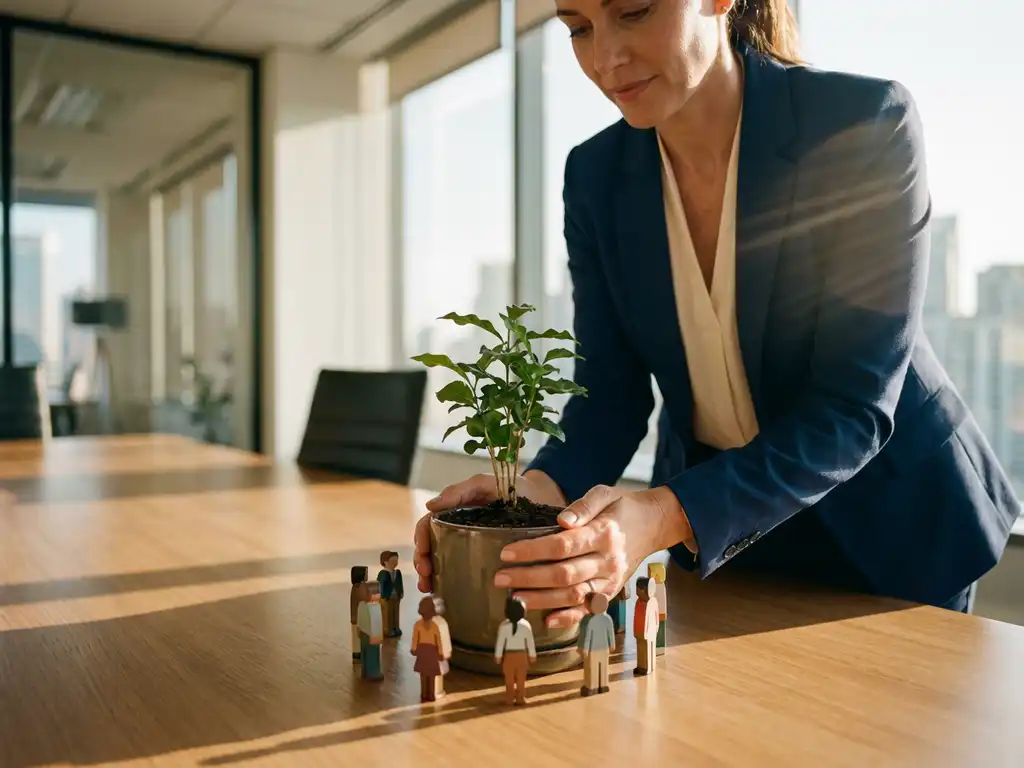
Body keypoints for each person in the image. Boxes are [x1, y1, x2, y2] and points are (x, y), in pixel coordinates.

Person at [413, 0, 1020, 625]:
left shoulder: (862, 124)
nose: (604, 59)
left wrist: (662, 513)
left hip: (893, 531)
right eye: (578, 29)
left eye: (634, 12)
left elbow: (853, 405)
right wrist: (539, 494)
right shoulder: (595, 176)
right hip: (729, 544)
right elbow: (609, 397)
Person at [494, 596, 537, 705]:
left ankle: (510, 698)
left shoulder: (503, 626)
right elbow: (530, 643)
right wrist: (532, 655)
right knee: (521, 678)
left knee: (509, 679)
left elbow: (500, 643)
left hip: (509, 656)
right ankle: (520, 698)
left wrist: (498, 656)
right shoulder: (526, 626)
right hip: (521, 655)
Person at [579, 592, 616, 696]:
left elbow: (587, 637)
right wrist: (612, 644)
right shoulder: (607, 618)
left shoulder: (589, 620)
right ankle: (603, 685)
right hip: (604, 649)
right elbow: (611, 633)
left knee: (591, 669)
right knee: (603, 667)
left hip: (592, 650)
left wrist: (584, 648)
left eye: (585, 602)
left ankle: (591, 687)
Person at [410, 596, 445, 703]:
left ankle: (425, 694)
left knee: (425, 675)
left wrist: (414, 648)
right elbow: (438, 640)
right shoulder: (434, 626)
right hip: (431, 652)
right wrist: (440, 652)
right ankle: (429, 694)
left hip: (423, 652)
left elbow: (415, 638)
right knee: (429, 674)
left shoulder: (418, 625)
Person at [356, 581, 384, 681]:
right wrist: (377, 636)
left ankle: (365, 671)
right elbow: (376, 622)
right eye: (377, 593)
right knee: (372, 654)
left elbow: (359, 620)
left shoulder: (361, 605)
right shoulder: (375, 607)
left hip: (364, 633)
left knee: (365, 652)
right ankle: (373, 672)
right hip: (372, 635)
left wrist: (358, 629)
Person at [633, 577, 659, 676]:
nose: (637, 591)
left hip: (649, 631)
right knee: (640, 649)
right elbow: (636, 617)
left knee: (649, 648)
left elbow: (656, 616)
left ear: (644, 590)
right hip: (639, 630)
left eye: (638, 589)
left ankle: (648, 666)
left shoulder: (652, 602)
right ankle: (641, 666)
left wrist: (655, 627)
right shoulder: (638, 602)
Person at [377, 551, 403, 637]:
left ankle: (396, 628)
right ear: (385, 562)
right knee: (387, 614)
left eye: (396, 561)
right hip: (386, 597)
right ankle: (387, 629)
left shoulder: (397, 573)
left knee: (396, 613)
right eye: (392, 561)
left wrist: (401, 592)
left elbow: (400, 583)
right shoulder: (383, 573)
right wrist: (381, 595)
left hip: (396, 597)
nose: (395, 563)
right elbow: (380, 585)